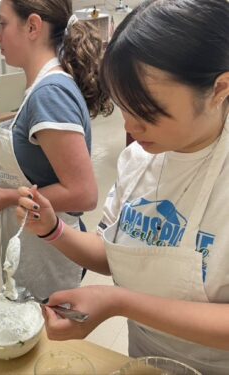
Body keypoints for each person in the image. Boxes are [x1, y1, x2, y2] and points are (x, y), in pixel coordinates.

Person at [17, 0, 229, 373]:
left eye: (147, 112)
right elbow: (115, 252)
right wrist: (53, 229)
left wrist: (120, 302)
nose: (130, 128)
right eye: (123, 108)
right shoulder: (138, 160)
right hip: (144, 361)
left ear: (219, 89)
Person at [0, 0, 112, 299]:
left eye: (3, 24)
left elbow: (84, 193)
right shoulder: (40, 88)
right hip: (32, 239)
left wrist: (4, 198)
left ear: (32, 26)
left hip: (47, 249)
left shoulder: (50, 94)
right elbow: (42, 161)